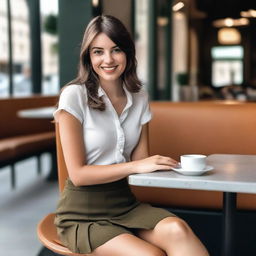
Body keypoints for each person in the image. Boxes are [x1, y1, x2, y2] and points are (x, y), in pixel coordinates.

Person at [53, 15, 209, 256]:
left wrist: (177, 168)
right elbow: (79, 175)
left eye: (116, 50)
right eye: (98, 52)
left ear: (128, 53)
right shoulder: (74, 96)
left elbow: (142, 160)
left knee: (178, 229)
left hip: (125, 204)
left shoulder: (139, 97)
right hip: (81, 213)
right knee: (150, 255)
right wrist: (138, 165)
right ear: (88, 57)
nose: (108, 59)